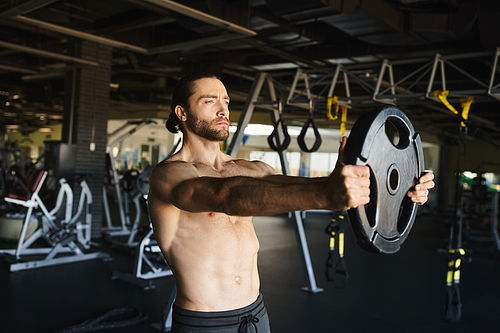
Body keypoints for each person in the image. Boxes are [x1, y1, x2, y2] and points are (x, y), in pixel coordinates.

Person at [148, 73, 435, 333]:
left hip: (256, 314)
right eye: (210, 101)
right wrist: (326, 194)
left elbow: (306, 188)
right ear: (182, 112)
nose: (223, 109)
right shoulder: (169, 175)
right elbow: (225, 196)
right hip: (207, 323)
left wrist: (399, 190)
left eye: (226, 100)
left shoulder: (252, 168)